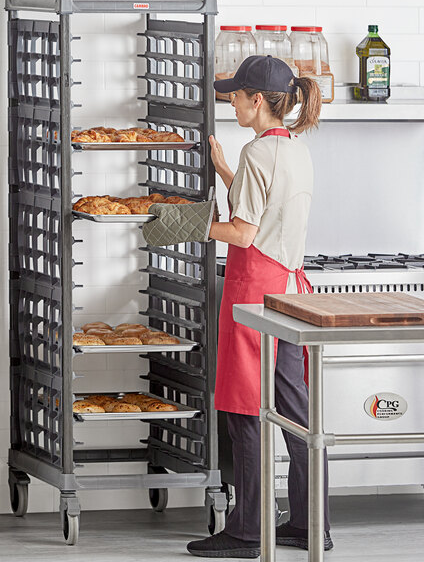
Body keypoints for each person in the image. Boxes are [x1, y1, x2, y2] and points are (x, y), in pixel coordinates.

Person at [186, 55, 332, 558]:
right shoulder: (294, 149)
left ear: (256, 101)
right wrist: (226, 170)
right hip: (292, 289)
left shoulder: (256, 152)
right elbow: (265, 210)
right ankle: (312, 524)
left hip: (254, 295)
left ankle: (247, 531)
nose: (230, 100)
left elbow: (244, 232)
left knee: (246, 411)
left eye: (236, 94)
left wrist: (184, 223)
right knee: (297, 412)